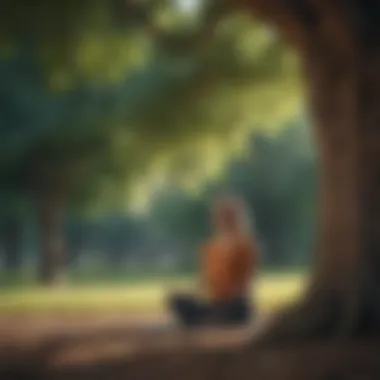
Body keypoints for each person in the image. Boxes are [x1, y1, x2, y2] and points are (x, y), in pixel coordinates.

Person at [168, 195, 259, 328]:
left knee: (239, 307)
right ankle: (212, 318)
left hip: (233, 302)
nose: (223, 220)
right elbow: (204, 281)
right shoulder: (209, 247)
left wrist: (228, 294)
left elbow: (246, 281)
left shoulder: (245, 245)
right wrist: (200, 294)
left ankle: (212, 319)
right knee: (177, 300)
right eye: (220, 216)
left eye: (228, 216)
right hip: (214, 302)